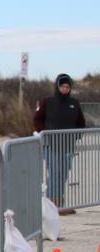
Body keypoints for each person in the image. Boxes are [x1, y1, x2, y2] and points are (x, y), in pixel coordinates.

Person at [33, 73, 86, 215]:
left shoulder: (74, 103)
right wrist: (44, 133)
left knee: (63, 174)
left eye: (67, 87)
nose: (65, 89)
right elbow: (37, 119)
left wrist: (76, 136)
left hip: (68, 146)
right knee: (55, 173)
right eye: (62, 86)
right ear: (57, 86)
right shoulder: (47, 101)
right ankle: (52, 204)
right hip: (52, 145)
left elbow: (81, 123)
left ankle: (59, 204)